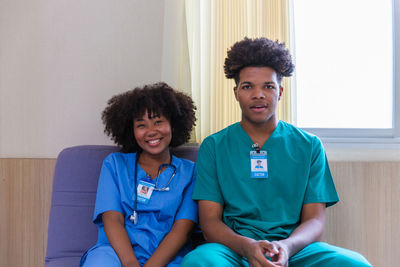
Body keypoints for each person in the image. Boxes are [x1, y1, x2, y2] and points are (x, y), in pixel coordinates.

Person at [181, 37, 371, 267]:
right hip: (233, 250)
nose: (258, 94)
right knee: (197, 261)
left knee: (355, 264)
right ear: (236, 92)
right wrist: (248, 247)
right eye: (248, 86)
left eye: (268, 86)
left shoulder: (309, 146)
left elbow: (315, 221)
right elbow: (210, 223)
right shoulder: (214, 146)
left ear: (280, 91)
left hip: (294, 250)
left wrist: (286, 247)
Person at [80, 82, 198, 267]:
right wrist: (129, 262)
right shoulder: (114, 165)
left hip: (168, 258)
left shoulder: (191, 172)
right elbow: (113, 219)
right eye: (141, 125)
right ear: (131, 131)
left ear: (173, 124)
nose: (151, 131)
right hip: (116, 254)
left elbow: (181, 230)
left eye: (158, 122)